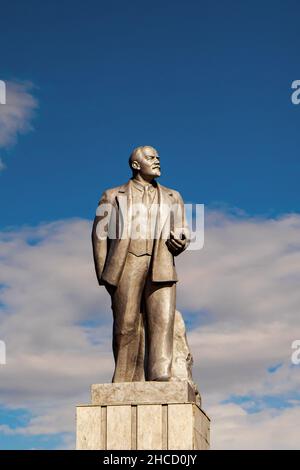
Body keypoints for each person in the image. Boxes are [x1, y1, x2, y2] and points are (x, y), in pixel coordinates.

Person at [92, 146, 190, 382]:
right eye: (150, 158)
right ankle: (125, 378)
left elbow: (183, 228)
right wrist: (105, 274)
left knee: (162, 321)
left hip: (162, 263)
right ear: (136, 165)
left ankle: (160, 374)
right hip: (127, 263)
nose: (157, 161)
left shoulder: (172, 196)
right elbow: (99, 235)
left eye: (157, 157)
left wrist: (183, 239)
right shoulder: (112, 195)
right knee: (126, 324)